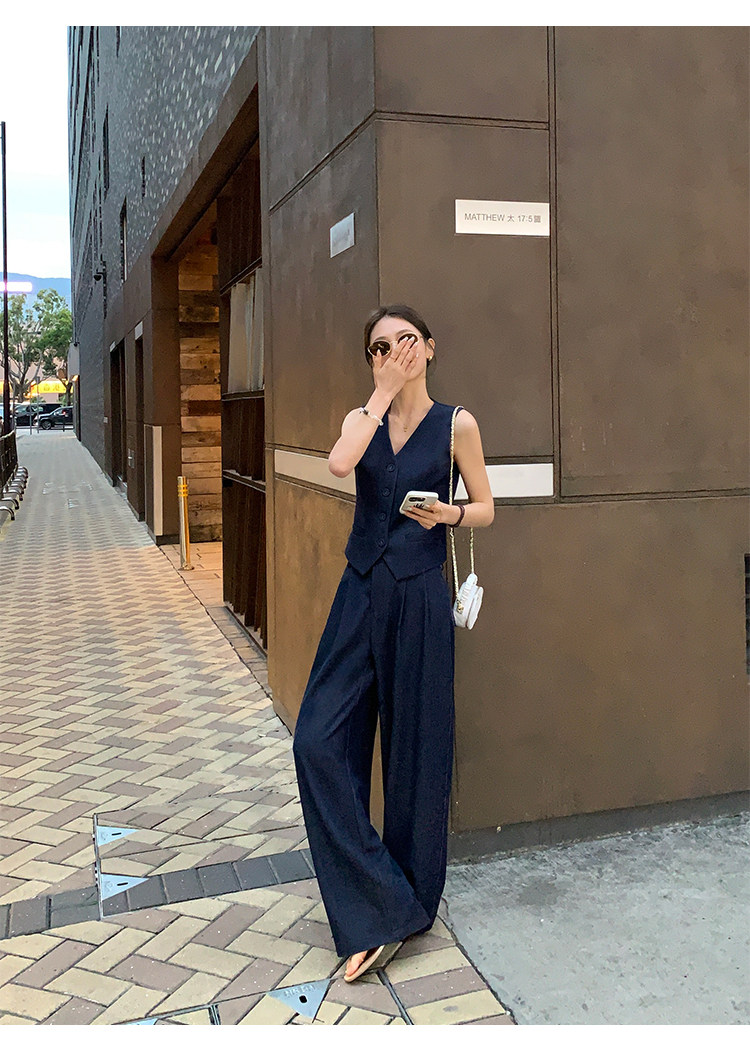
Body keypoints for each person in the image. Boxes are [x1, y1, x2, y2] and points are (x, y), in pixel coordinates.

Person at [292, 304, 494, 983]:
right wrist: (379, 397)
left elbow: (487, 507)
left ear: (430, 348)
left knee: (417, 750)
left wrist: (449, 513)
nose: (394, 353)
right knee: (317, 739)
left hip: (420, 595)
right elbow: (339, 464)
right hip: (360, 590)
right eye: (379, 347)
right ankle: (379, 898)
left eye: (405, 341)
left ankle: (406, 907)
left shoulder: (457, 424)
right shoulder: (363, 418)